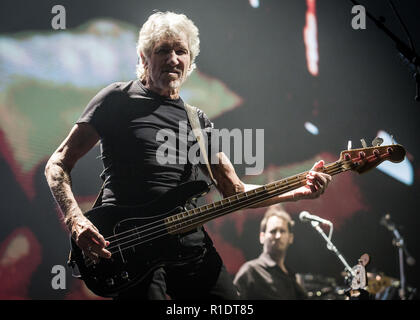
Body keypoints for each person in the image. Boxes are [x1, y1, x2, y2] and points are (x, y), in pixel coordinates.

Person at [44, 11, 332, 300]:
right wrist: (75, 219)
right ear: (144, 57)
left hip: (189, 245)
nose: (173, 59)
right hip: (130, 246)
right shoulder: (116, 99)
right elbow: (57, 164)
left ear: (190, 61)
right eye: (163, 50)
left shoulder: (198, 122)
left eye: (181, 51)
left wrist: (298, 191)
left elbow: (234, 191)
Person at [233, 205, 307, 299]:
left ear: (290, 238)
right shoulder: (250, 271)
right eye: (273, 231)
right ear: (262, 237)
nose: (278, 236)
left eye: (283, 231)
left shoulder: (295, 278)